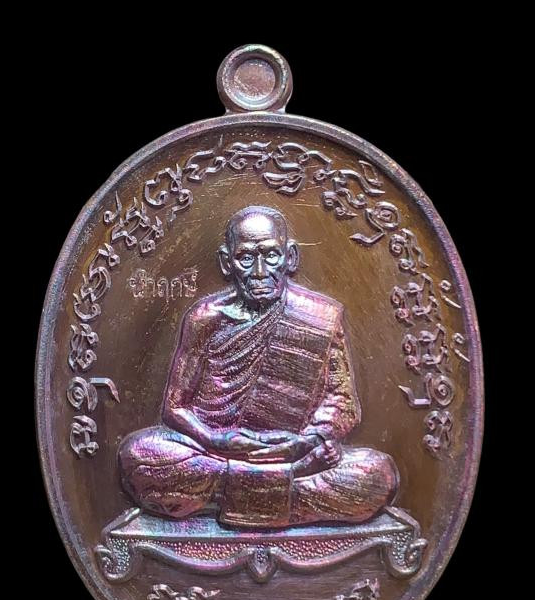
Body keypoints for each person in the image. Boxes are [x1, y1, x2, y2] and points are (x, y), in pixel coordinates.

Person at [118, 206, 398, 528]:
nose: (260, 271)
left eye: (271, 255)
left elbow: (342, 403)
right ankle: (287, 490)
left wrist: (309, 441)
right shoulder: (204, 319)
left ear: (290, 258)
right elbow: (175, 407)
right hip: (217, 455)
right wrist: (216, 440)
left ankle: (233, 493)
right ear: (227, 263)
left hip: (295, 453)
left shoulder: (320, 317)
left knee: (377, 474)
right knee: (139, 455)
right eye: (246, 258)